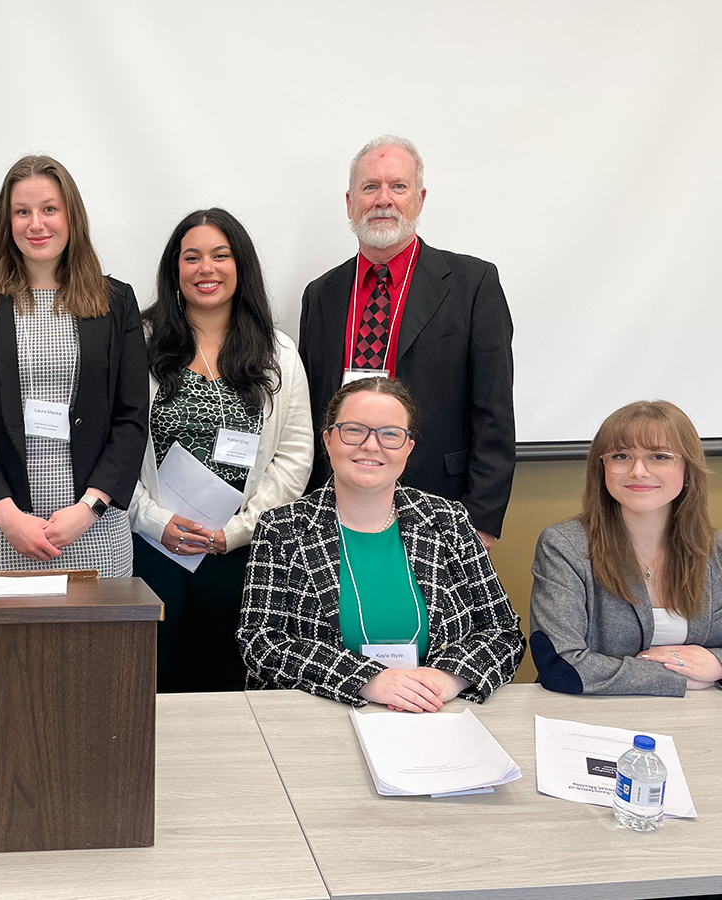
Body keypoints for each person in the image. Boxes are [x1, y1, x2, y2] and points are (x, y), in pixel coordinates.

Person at [238, 377, 524, 711]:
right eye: (354, 430)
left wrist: (446, 679)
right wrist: (366, 679)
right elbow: (261, 642)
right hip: (317, 717)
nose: (371, 446)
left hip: (435, 714)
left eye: (390, 434)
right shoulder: (282, 528)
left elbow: (503, 632)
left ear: (408, 448)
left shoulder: (449, 520)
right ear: (328, 440)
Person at [298, 135, 514, 548]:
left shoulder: (473, 284)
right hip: (337, 508)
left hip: (443, 506)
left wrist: (481, 521)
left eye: (398, 186)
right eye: (370, 187)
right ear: (349, 202)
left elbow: (494, 413)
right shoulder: (321, 293)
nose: (383, 199)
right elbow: (311, 411)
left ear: (419, 198)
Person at [130, 208, 313, 692]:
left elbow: (294, 457)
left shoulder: (279, 352)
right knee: (154, 678)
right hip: (152, 545)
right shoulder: (137, 344)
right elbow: (112, 446)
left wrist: (237, 530)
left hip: (241, 550)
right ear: (175, 270)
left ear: (241, 266)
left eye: (220, 255)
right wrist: (152, 520)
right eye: (191, 257)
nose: (205, 268)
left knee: (226, 682)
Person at [0, 155, 147, 576]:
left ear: (72, 216)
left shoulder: (116, 302)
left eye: (49, 209)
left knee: (98, 644)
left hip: (93, 530)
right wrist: (5, 514)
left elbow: (131, 419)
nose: (36, 224)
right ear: (7, 221)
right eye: (22, 212)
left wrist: (88, 509)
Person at [530, 401, 722, 695]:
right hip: (592, 718)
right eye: (621, 456)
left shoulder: (717, 550)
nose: (639, 471)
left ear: (688, 466)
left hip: (699, 719)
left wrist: (717, 664)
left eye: (659, 456)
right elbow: (560, 666)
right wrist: (680, 678)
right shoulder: (563, 546)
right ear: (602, 467)